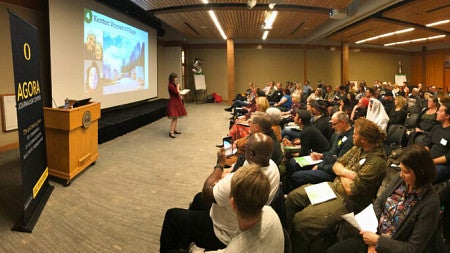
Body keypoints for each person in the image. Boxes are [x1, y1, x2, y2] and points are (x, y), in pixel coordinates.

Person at [159, 133, 280, 252]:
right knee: (198, 198)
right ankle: (186, 240)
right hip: (246, 217)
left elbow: (207, 192)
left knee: (172, 215)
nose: (242, 151)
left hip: (223, 232)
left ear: (251, 154)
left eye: (245, 148)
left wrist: (220, 164)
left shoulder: (235, 181)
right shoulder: (273, 169)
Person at [285, 118, 386, 253]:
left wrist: (340, 173)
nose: (352, 136)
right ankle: (289, 242)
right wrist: (346, 173)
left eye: (355, 134)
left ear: (363, 139)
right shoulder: (358, 148)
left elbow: (352, 190)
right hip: (333, 186)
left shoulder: (377, 162)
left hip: (348, 201)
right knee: (293, 198)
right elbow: (336, 164)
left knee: (302, 223)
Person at [327, 144, 443, 253]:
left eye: (406, 172)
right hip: (372, 235)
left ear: (421, 173)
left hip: (392, 247)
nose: (401, 174)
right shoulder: (400, 179)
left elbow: (413, 248)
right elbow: (379, 202)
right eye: (401, 169)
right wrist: (372, 235)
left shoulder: (430, 203)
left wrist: (378, 242)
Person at [188, 165, 284, 253]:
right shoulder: (271, 213)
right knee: (199, 198)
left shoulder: (234, 249)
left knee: (173, 216)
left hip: (223, 237)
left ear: (232, 203)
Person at [289, 111, 354, 189]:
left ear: (342, 123)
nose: (332, 127)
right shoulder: (339, 134)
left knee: (296, 176)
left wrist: (320, 166)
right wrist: (321, 155)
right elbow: (331, 154)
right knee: (293, 163)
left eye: (334, 124)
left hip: (333, 172)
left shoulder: (349, 140)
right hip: (326, 163)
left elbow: (339, 164)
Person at [427, 96, 450, 183]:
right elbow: (427, 144)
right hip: (430, 160)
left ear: (447, 116)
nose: (436, 113)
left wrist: (432, 161)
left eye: (440, 111)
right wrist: (424, 157)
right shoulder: (436, 128)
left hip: (443, 165)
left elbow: (448, 157)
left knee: (425, 177)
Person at [166, 73, 187, 138]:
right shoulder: (170, 85)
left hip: (176, 101)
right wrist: (178, 87)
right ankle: (171, 132)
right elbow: (176, 93)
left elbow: (178, 93)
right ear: (173, 78)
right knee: (174, 118)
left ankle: (174, 130)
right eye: (175, 78)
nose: (176, 79)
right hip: (173, 102)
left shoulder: (173, 84)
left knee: (176, 117)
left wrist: (183, 91)